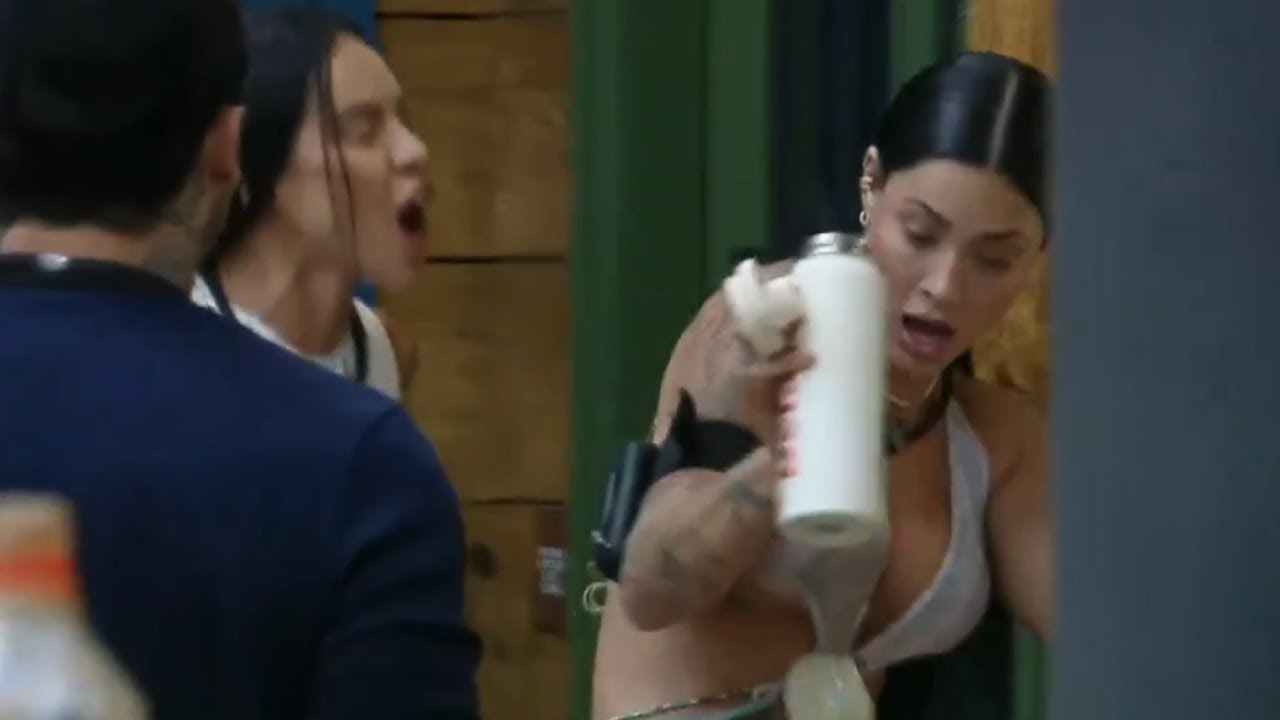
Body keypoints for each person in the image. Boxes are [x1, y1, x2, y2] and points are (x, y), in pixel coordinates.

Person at [0, 1, 479, 718]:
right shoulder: (361, 466)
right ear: (230, 144)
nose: (412, 151)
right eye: (362, 129)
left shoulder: (367, 409)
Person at [593, 52, 1051, 719]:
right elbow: (651, 591)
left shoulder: (992, 435)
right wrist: (771, 467)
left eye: (994, 258)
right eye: (919, 234)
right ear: (871, 186)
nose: (945, 285)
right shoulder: (763, 330)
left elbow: (1111, 633)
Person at [193, 6, 428, 400]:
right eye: (364, 131)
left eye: (403, 122)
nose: (415, 150)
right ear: (256, 160)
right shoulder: (173, 350)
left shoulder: (386, 355)